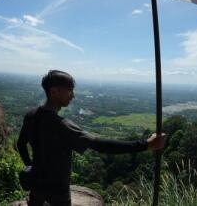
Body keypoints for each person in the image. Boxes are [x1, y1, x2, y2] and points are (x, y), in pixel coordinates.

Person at [17, 70, 166, 206]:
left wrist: (31, 167)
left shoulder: (31, 115)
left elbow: (21, 144)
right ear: (54, 91)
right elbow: (101, 145)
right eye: (69, 90)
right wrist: (146, 144)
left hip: (36, 184)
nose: (73, 95)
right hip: (57, 189)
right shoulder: (62, 126)